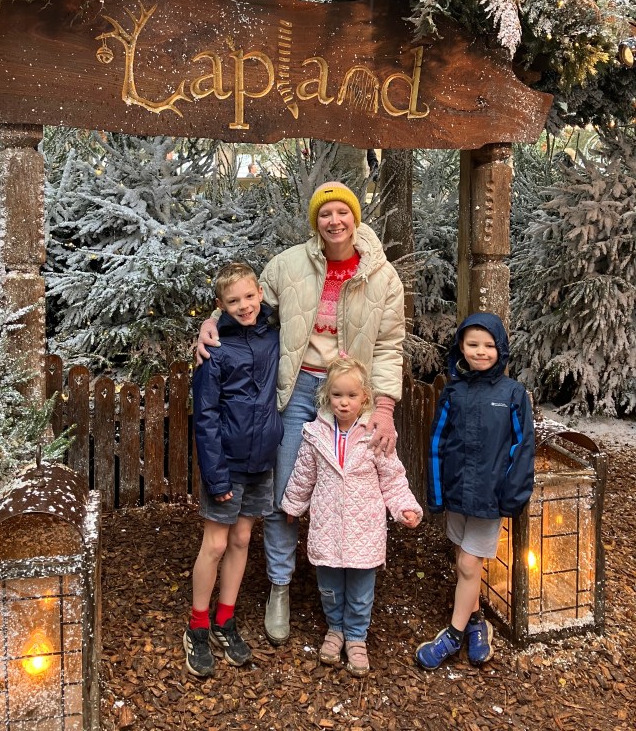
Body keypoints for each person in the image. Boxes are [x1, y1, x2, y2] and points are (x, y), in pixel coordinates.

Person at [197, 181, 405, 645]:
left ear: (355, 217)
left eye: (342, 212)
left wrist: (385, 406)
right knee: (284, 495)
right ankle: (280, 585)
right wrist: (210, 322)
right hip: (296, 389)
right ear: (316, 220)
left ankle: (349, 593)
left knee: (355, 486)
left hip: (351, 394)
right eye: (325, 213)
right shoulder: (288, 265)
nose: (334, 221)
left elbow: (391, 345)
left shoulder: (382, 276)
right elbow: (242, 303)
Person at [281, 355, 422, 675]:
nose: (344, 403)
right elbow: (304, 475)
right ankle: (335, 629)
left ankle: (357, 637)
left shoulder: (375, 435)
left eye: (352, 396)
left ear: (365, 398)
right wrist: (293, 505)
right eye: (337, 395)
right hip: (327, 527)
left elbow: (392, 478)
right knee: (329, 586)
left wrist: (405, 507)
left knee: (360, 589)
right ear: (326, 396)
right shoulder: (314, 434)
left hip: (364, 528)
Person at [415, 313, 535, 670]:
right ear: (460, 348)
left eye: (488, 345)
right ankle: (477, 620)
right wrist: (436, 492)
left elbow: (522, 446)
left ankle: (453, 635)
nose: (480, 352)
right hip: (457, 493)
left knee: (469, 563)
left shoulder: (513, 394)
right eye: (472, 345)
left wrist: (511, 495)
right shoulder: (454, 391)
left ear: (501, 348)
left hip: (489, 498)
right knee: (463, 563)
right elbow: (438, 441)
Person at [184, 262, 283, 678]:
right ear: (220, 306)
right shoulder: (214, 349)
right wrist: (216, 474)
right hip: (226, 462)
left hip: (262, 460)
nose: (243, 306)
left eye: (248, 296)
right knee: (216, 543)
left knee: (242, 538)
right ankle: (198, 625)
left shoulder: (275, 333)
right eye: (232, 301)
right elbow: (204, 416)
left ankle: (226, 618)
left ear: (260, 293)